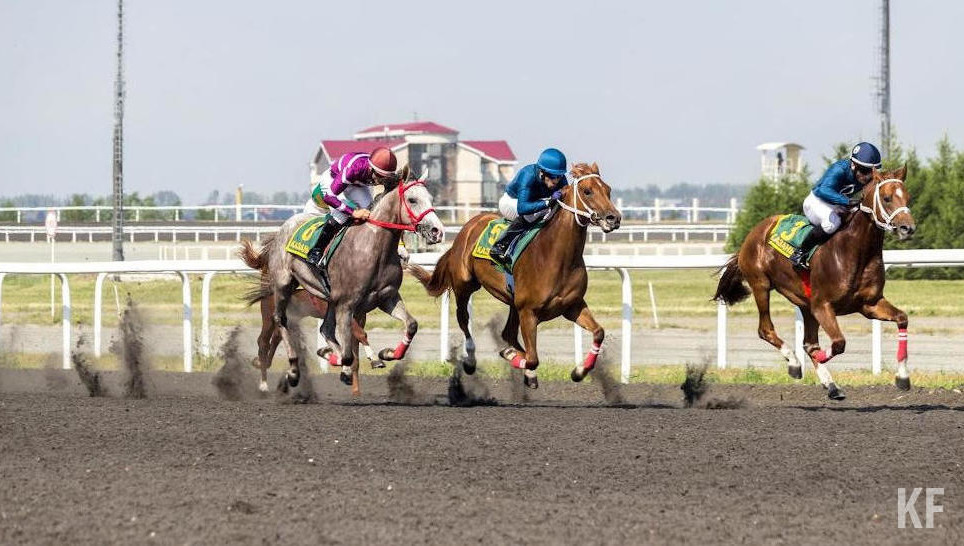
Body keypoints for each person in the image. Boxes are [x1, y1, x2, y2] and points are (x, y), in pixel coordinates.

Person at [303, 147, 398, 285]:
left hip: (357, 185)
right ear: (371, 170)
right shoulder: (354, 168)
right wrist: (353, 212)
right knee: (341, 215)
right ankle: (316, 251)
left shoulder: (382, 174)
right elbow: (329, 197)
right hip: (334, 180)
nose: (382, 181)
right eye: (380, 178)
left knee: (371, 212)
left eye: (386, 178)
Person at [789, 142, 881, 270]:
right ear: (853, 165)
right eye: (865, 171)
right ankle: (799, 252)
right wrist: (847, 201)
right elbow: (823, 191)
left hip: (837, 204)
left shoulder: (866, 175)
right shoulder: (839, 169)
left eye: (871, 172)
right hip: (816, 201)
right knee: (832, 223)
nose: (867, 177)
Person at [489, 148, 568, 267]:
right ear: (543, 172)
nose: (556, 180)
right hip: (511, 202)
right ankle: (499, 246)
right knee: (538, 212)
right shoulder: (528, 175)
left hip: (534, 202)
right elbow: (523, 208)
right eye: (552, 176)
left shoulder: (560, 179)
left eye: (559, 176)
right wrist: (548, 202)